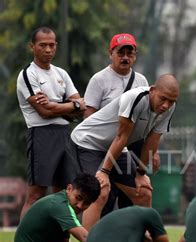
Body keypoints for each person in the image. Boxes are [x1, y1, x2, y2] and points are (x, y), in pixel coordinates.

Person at [71, 74, 179, 230]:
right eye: (163, 99)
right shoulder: (137, 98)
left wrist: (141, 173)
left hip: (116, 147)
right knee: (100, 191)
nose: (166, 105)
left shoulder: (169, 108)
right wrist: (104, 172)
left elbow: (152, 140)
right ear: (153, 90)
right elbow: (121, 136)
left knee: (144, 193)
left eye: (171, 101)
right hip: (87, 142)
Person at [16, 26, 87, 218]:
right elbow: (44, 112)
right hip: (41, 135)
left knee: (65, 194)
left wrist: (62, 106)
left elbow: (81, 108)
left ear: (56, 46)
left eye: (51, 45)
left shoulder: (61, 74)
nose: (48, 50)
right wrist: (71, 106)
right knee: (36, 195)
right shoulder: (28, 75)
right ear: (32, 46)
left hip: (65, 135)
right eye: (42, 45)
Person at [83, 33, 151, 213]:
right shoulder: (99, 80)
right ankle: (90, 240)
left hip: (124, 149)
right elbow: (88, 117)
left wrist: (152, 152)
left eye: (130, 53)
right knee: (100, 193)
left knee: (137, 192)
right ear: (110, 53)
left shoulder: (141, 81)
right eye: (121, 53)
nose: (125, 57)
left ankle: (132, 238)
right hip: (98, 148)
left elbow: (145, 118)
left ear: (135, 56)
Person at [12, 173, 100, 242]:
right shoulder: (60, 205)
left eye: (86, 203)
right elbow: (85, 238)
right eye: (78, 198)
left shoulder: (64, 204)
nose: (80, 206)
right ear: (69, 188)